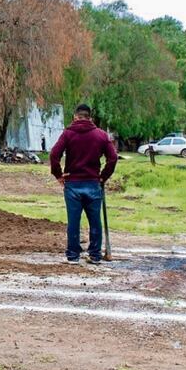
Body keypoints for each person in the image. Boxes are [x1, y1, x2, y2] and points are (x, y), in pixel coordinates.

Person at [49, 103, 118, 264]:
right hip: (93, 183)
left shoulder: (67, 134)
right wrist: (103, 177)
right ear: (90, 118)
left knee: (73, 221)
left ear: (75, 117)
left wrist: (58, 175)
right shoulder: (101, 135)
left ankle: (73, 256)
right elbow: (113, 158)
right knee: (95, 220)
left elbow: (54, 155)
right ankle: (95, 255)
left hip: (73, 184)